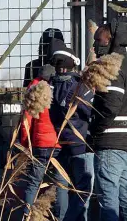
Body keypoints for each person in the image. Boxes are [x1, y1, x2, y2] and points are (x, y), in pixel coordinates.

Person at [87, 18, 127, 221]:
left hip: (111, 143)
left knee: (108, 198)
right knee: (125, 197)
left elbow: (110, 106)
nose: (94, 46)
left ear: (112, 40)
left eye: (99, 41)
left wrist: (94, 131)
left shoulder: (113, 67)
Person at [47, 40, 95, 221]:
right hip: (80, 144)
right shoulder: (79, 86)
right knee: (84, 188)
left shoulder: (50, 86)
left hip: (59, 143)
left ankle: (61, 217)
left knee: (61, 186)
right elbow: (90, 111)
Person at [19, 62, 65, 219]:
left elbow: (26, 121)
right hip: (58, 144)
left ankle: (27, 215)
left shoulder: (34, 90)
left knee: (33, 183)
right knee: (61, 185)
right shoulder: (60, 87)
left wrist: (26, 143)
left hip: (39, 144)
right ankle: (61, 217)